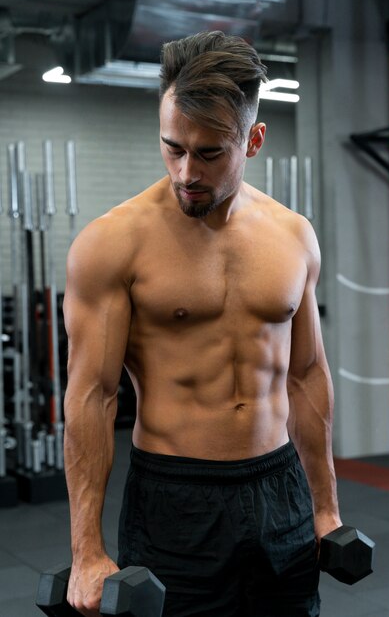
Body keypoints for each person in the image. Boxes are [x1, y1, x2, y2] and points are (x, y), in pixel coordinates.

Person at [63, 30, 341, 617]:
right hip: (175, 499)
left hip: (279, 487)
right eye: (172, 147)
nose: (187, 171)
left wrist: (324, 507)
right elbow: (92, 395)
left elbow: (307, 375)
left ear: (254, 139)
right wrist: (86, 550)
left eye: (211, 153)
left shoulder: (294, 237)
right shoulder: (113, 244)